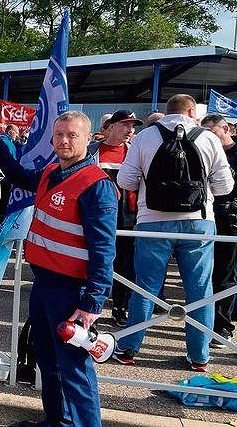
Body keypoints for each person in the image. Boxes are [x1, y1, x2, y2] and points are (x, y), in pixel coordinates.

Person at [0, 111, 118, 427]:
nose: (64, 141)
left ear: (87, 138)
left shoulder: (97, 185)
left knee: (75, 368)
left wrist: (91, 303)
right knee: (48, 360)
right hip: (43, 283)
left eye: (72, 135)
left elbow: (104, 251)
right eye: (59, 135)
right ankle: (58, 420)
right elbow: (18, 175)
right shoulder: (51, 171)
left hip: (71, 290)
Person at [113, 94, 234, 371]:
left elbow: (126, 180)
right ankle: (198, 356)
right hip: (199, 222)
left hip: (152, 221)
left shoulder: (144, 137)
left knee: (145, 287)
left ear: (167, 112)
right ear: (191, 111)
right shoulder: (208, 138)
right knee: (200, 290)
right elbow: (224, 187)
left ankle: (129, 348)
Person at [87, 109, 140, 327]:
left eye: (133, 126)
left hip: (127, 219)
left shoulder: (136, 151)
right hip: (96, 218)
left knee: (125, 265)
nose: (130, 130)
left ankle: (121, 307)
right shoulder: (91, 151)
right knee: (95, 262)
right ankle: (90, 308)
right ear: (111, 127)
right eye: (125, 124)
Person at [200, 114, 237, 347]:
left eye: (212, 132)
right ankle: (202, 322)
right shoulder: (200, 149)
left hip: (230, 220)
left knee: (226, 275)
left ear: (226, 129)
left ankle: (222, 326)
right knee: (203, 276)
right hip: (204, 218)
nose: (208, 137)